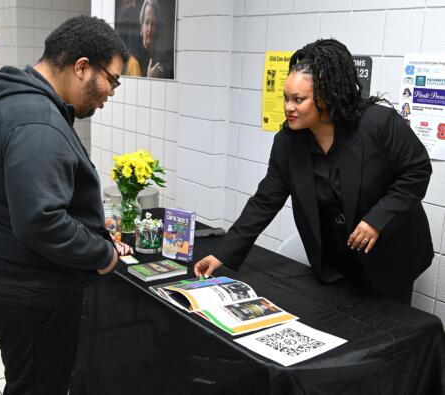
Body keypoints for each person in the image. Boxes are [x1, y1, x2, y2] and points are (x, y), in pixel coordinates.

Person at [0, 16, 130, 395]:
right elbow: (42, 220)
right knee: (40, 386)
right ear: (82, 66)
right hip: (25, 290)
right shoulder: (37, 120)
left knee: (29, 380)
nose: (112, 92)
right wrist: (101, 253)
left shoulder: (15, 100)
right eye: (112, 79)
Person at [195, 39, 433, 305]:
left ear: (325, 97)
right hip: (337, 261)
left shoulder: (378, 124)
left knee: (390, 333)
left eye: (299, 99)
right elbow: (265, 201)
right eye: (286, 98)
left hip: (390, 254)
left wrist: (377, 220)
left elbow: (417, 171)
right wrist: (222, 254)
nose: (288, 107)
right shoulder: (288, 143)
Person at [128, 0, 173, 78]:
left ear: (158, 28)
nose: (149, 28)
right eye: (147, 22)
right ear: (141, 27)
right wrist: (149, 80)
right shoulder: (133, 60)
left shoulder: (163, 59)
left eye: (153, 23)